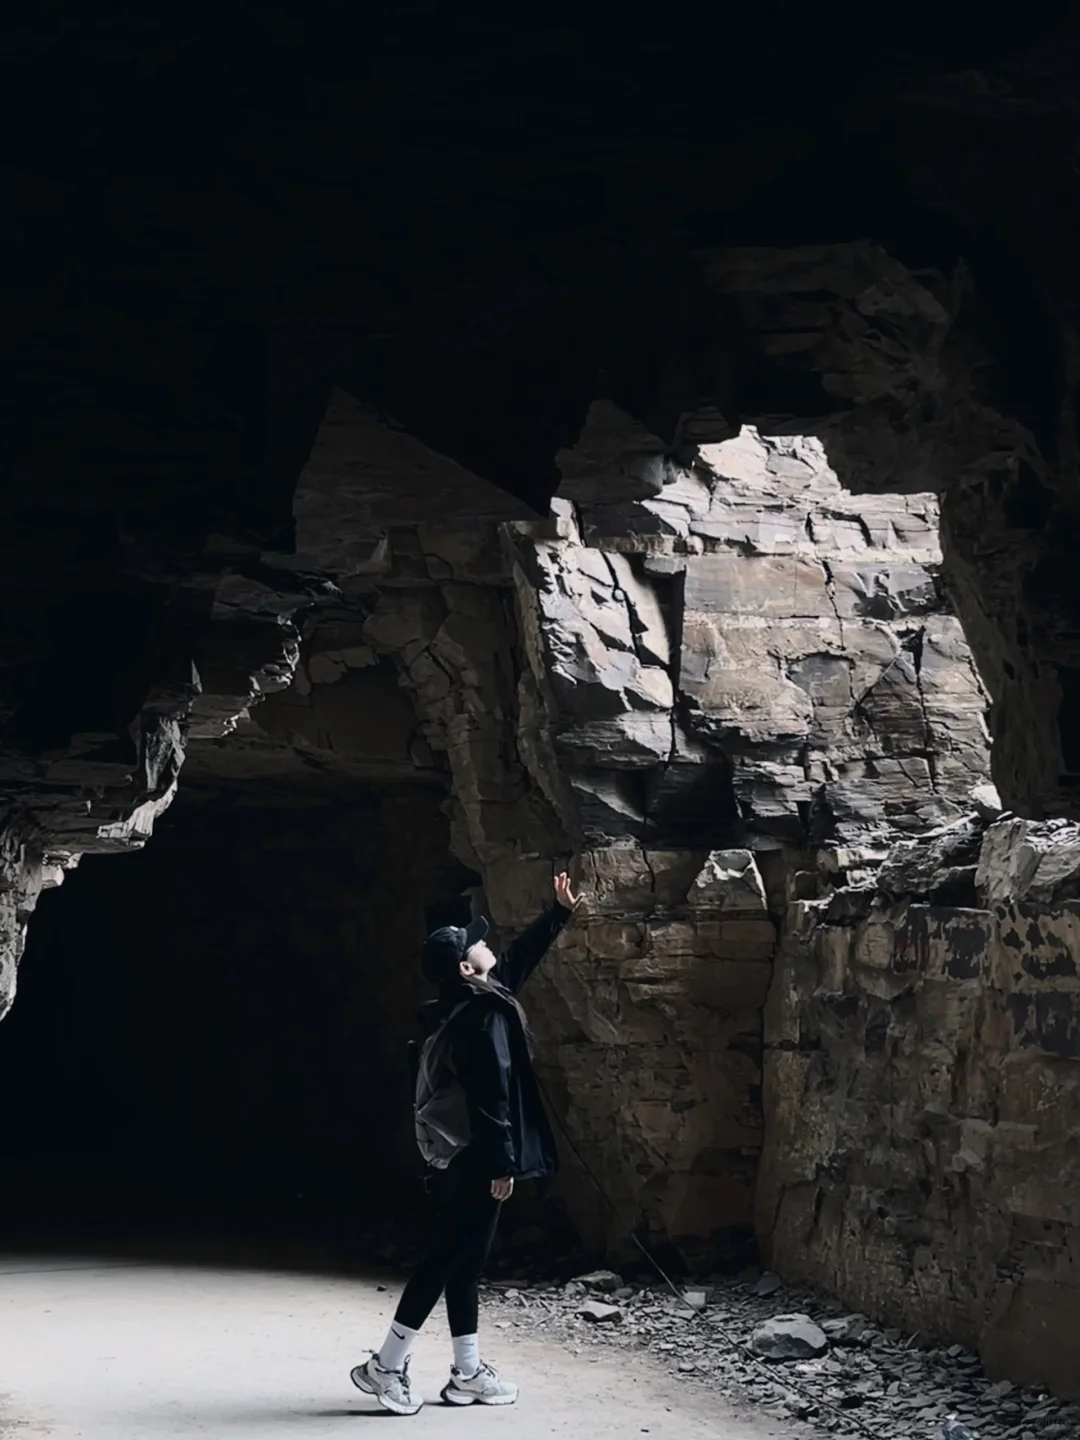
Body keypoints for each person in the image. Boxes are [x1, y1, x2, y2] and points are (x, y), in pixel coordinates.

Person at [350, 870, 583, 1415]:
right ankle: (384, 1367)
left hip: (460, 1158)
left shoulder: (475, 1002)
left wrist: (558, 914)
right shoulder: (480, 1021)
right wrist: (502, 1165)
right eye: (476, 943)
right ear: (464, 967)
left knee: (465, 1262)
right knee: (448, 1257)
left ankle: (468, 1373)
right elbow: (490, 1100)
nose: (486, 944)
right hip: (478, 1159)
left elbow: (517, 962)